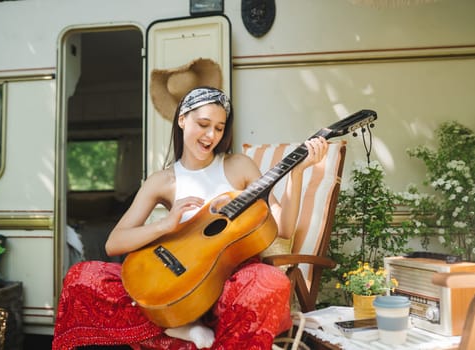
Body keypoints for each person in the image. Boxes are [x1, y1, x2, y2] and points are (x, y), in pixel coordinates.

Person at [52, 63, 327, 350]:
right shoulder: (163, 181)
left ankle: (178, 329)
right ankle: (181, 326)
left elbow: (282, 228)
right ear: (183, 120)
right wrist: (166, 224)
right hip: (178, 288)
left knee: (270, 282)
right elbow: (115, 243)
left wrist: (297, 173)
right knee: (81, 277)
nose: (211, 136)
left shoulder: (239, 166)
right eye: (203, 125)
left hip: (229, 287)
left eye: (219, 128)